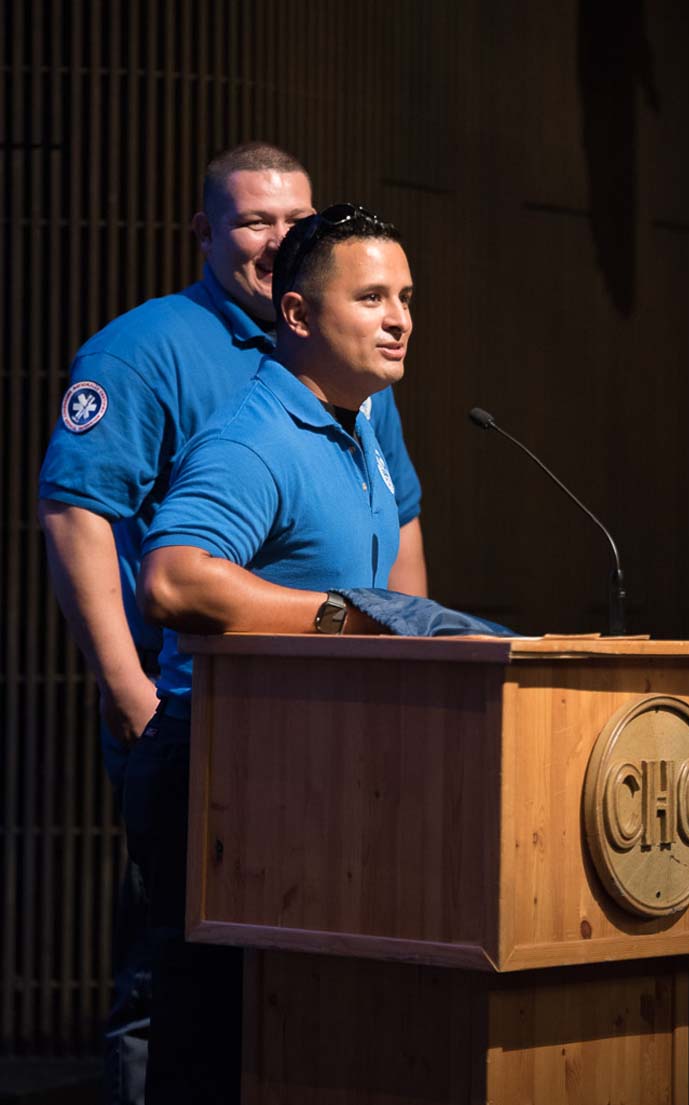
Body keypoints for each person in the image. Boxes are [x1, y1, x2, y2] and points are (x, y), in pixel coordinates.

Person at [37, 143, 426, 1103]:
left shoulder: (349, 374)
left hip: (319, 733)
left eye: (298, 219)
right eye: (256, 221)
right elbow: (86, 519)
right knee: (173, 991)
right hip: (202, 715)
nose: (282, 238)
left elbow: (398, 524)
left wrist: (420, 658)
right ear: (205, 234)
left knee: (269, 990)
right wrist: (129, 689)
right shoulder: (155, 353)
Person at [130, 205, 414, 1103]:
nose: (400, 318)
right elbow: (174, 580)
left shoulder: (358, 420)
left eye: (406, 296)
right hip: (220, 766)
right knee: (215, 1045)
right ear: (297, 315)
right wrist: (344, 617)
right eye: (371, 297)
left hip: (307, 771)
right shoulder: (256, 436)